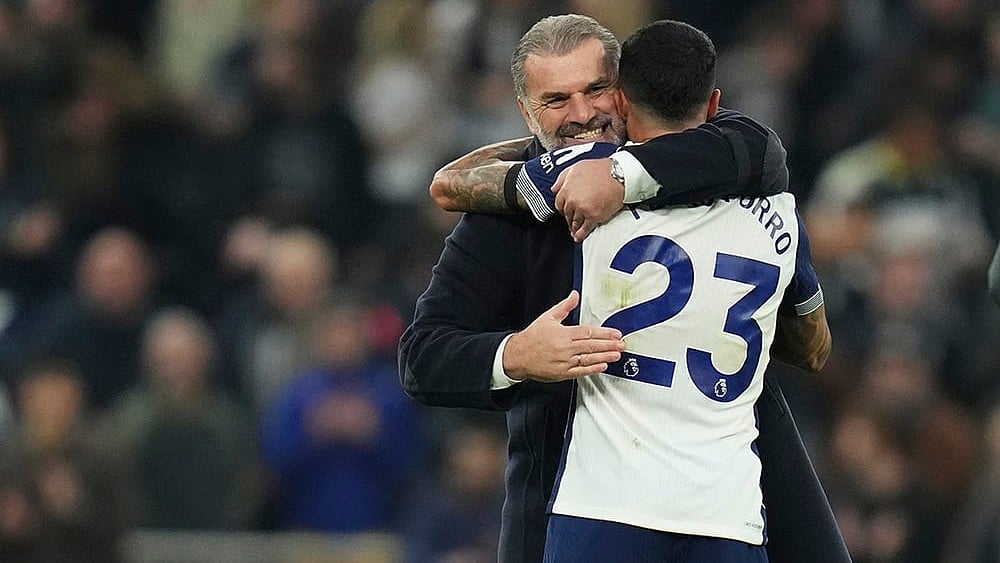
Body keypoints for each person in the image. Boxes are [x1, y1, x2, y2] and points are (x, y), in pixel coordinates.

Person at [399, 14, 849, 563]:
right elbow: (422, 357)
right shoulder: (511, 216)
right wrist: (515, 354)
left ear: (627, 91)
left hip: (728, 491)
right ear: (525, 111)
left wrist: (617, 176)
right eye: (556, 100)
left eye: (596, 89)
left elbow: (759, 146)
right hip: (564, 499)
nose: (583, 114)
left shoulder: (731, 167)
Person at [541, 19, 828, 562]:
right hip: (725, 514)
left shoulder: (586, 180)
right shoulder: (782, 217)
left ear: (621, 103)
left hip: (605, 507)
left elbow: (452, 185)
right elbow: (814, 349)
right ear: (715, 103)